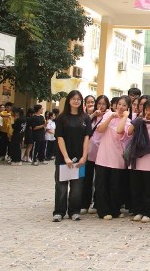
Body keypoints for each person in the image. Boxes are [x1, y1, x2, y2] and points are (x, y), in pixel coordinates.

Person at [53, 90, 91, 222]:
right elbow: (60, 138)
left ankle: (74, 211)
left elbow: (87, 138)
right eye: (73, 99)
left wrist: (84, 156)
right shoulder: (61, 118)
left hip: (79, 159)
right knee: (61, 186)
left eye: (78, 99)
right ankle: (59, 212)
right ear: (68, 101)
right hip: (63, 158)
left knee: (77, 187)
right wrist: (66, 157)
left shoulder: (85, 118)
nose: (76, 101)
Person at [94, 95, 132, 220]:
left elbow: (120, 131)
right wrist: (110, 117)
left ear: (128, 108)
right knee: (102, 185)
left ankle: (114, 210)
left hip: (117, 158)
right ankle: (103, 211)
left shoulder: (128, 122)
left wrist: (124, 116)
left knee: (115, 186)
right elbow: (100, 129)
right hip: (103, 156)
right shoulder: (108, 115)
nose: (120, 107)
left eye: (124, 105)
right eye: (119, 104)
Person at [83, 95, 110, 214]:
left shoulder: (108, 116)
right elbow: (84, 125)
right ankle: (84, 203)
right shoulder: (91, 117)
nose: (101, 106)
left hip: (102, 154)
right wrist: (93, 114)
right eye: (99, 103)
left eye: (104, 104)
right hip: (89, 153)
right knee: (87, 179)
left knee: (99, 181)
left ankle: (96, 203)